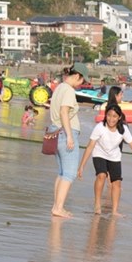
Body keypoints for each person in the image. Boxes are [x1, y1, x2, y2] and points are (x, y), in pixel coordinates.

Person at [77, 87, 132, 217]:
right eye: (109, 116)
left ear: (119, 117)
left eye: (114, 116)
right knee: (102, 175)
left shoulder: (123, 130)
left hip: (114, 157)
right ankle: (97, 204)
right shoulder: (100, 127)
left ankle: (115, 210)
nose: (111, 119)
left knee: (116, 183)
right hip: (99, 154)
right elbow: (90, 147)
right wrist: (81, 166)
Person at [48, 63, 88, 218]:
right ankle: (58, 207)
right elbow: (64, 112)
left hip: (56, 132)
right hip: (65, 134)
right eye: (82, 81)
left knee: (62, 172)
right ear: (77, 76)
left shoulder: (59, 88)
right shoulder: (69, 91)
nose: (81, 85)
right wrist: (70, 135)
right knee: (69, 174)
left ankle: (56, 205)